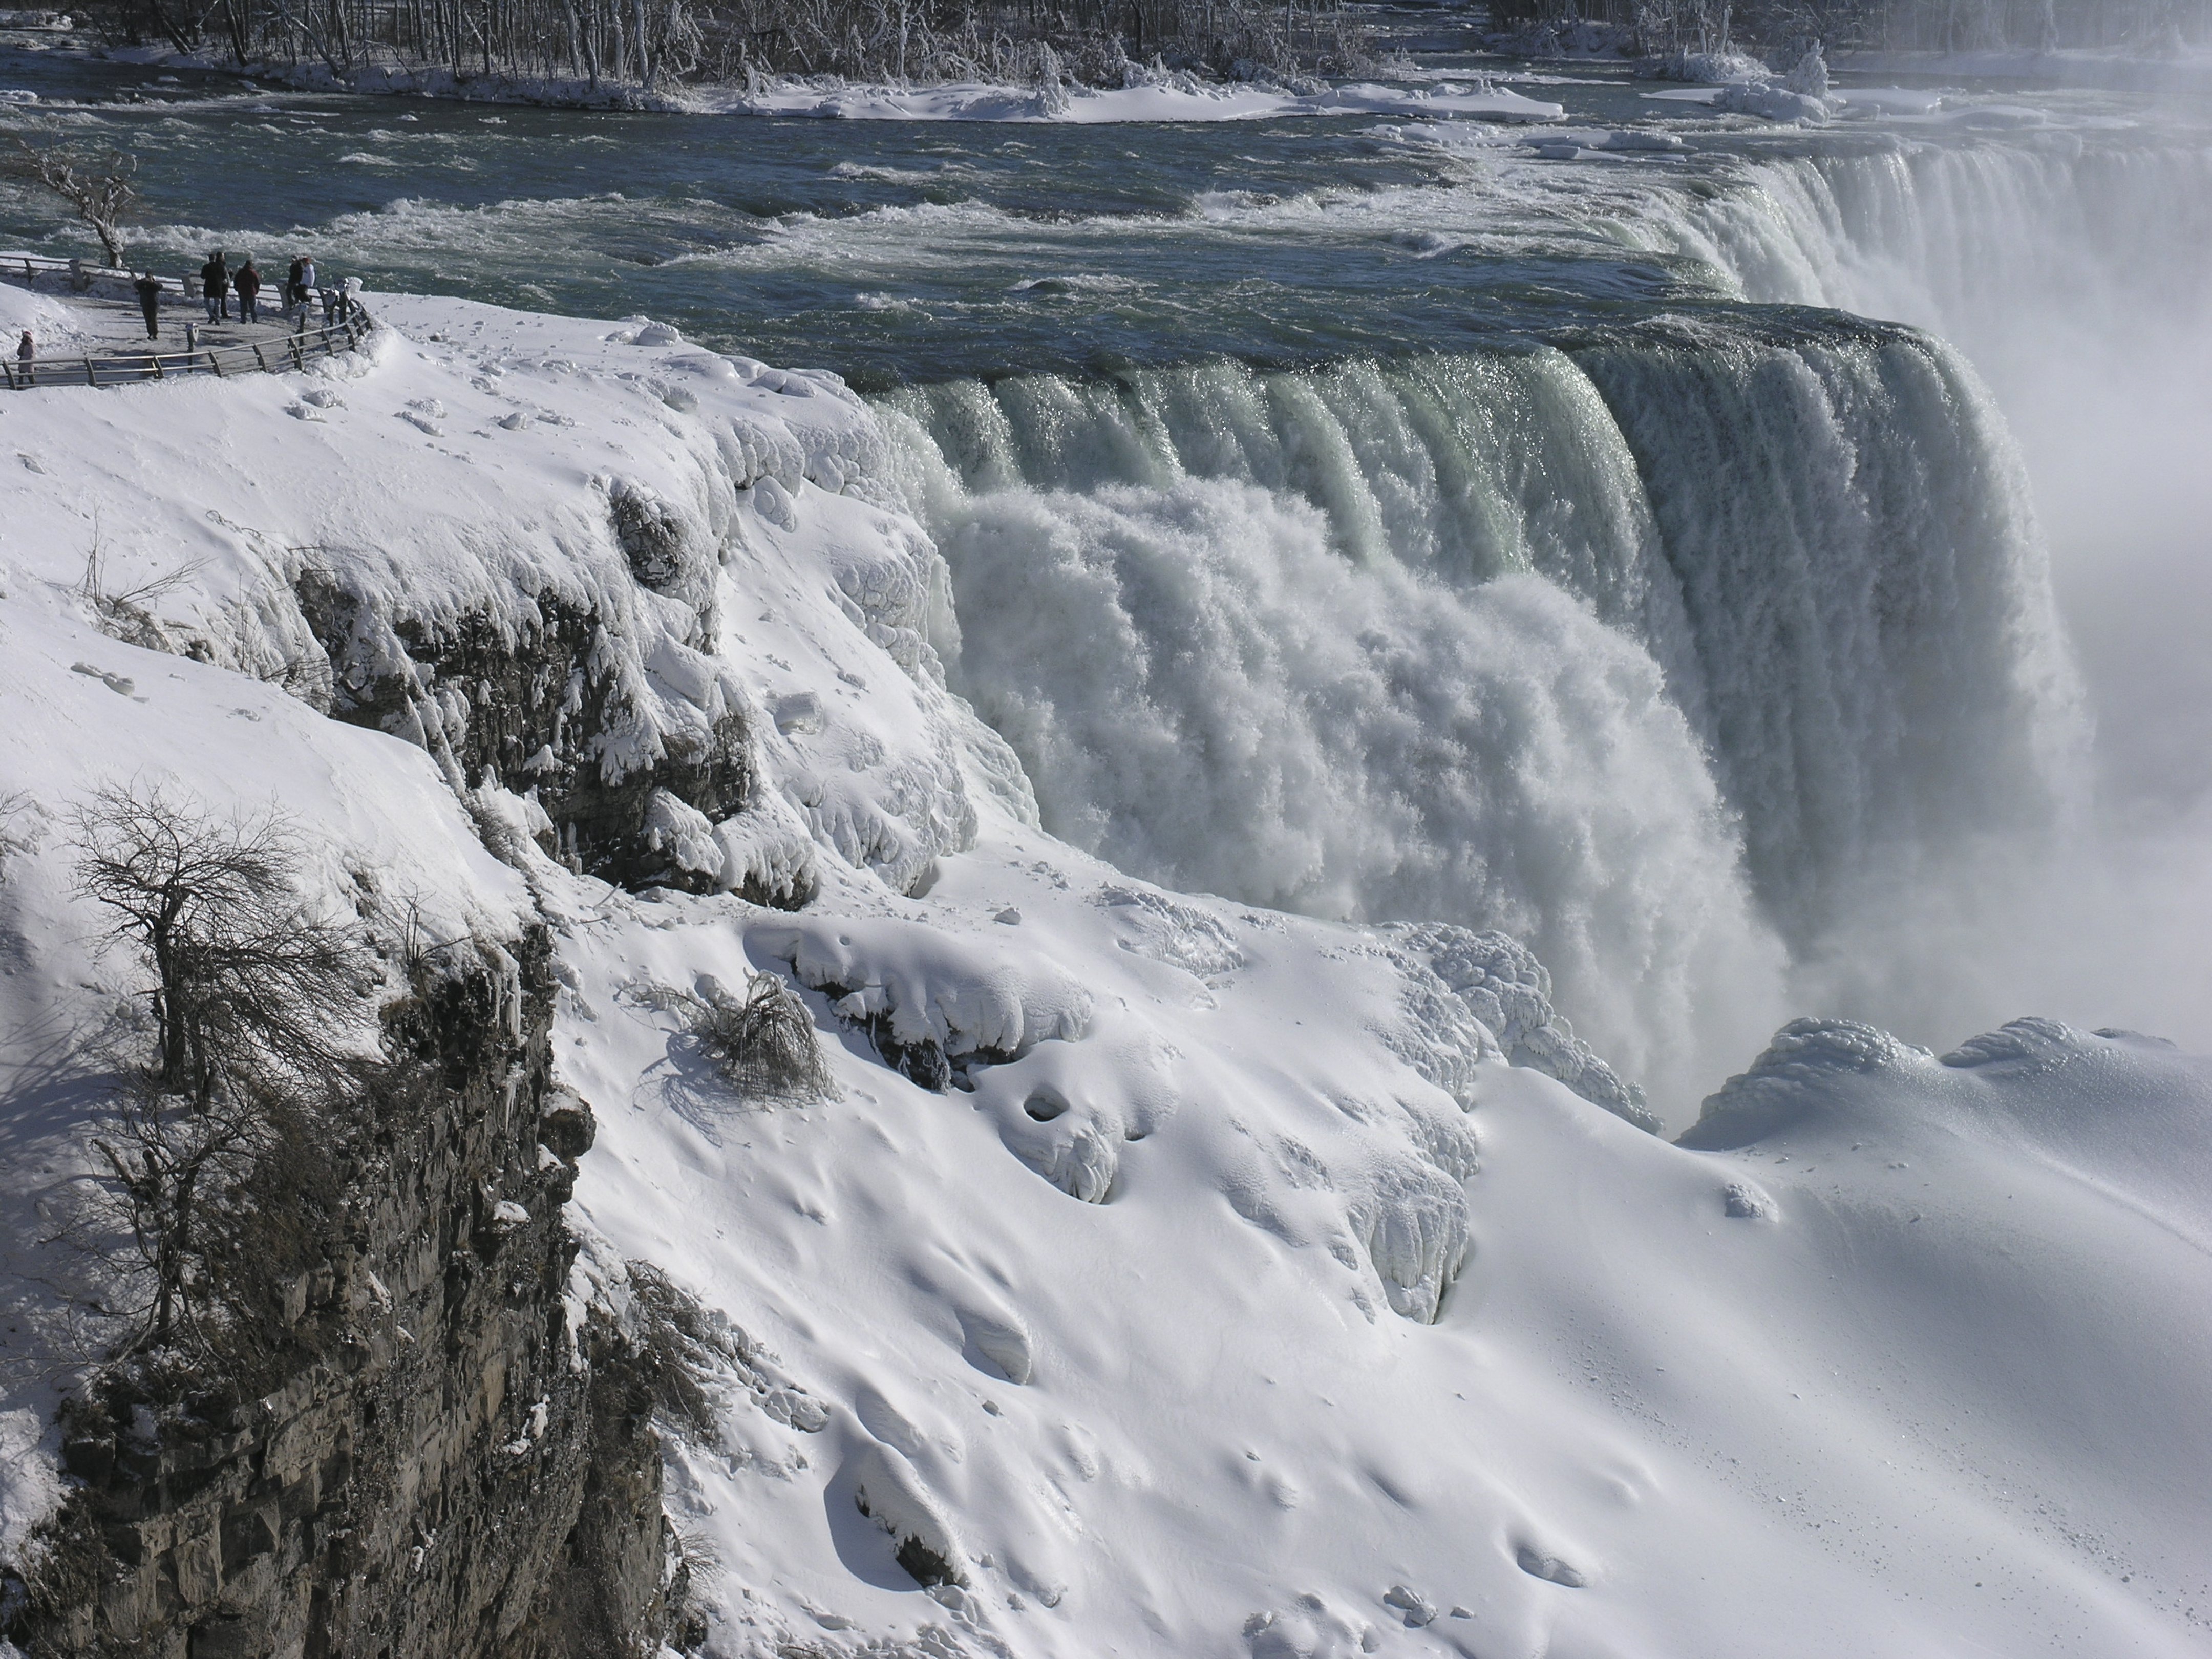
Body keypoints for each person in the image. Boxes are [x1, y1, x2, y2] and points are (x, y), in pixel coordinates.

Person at [133, 271, 162, 339]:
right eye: (147, 277)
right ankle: (150, 334)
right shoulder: (143, 284)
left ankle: (155, 333)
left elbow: (160, 287)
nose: (148, 279)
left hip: (154, 303)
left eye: (149, 277)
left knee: (153, 318)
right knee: (148, 319)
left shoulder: (154, 284)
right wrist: (142, 281)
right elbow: (136, 285)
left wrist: (152, 282)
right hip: (145, 303)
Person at [201, 250, 228, 321]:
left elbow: (203, 276)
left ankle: (211, 315)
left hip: (208, 287)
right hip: (218, 287)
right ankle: (218, 318)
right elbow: (224, 277)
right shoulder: (221, 267)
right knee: (217, 303)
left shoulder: (206, 267)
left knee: (206, 302)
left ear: (209, 259)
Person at [233, 257, 261, 325]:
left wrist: (236, 288)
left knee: (243, 306)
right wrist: (257, 290)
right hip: (251, 291)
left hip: (242, 291)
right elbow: (257, 282)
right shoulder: (253, 273)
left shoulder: (241, 272)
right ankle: (254, 319)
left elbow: (236, 280)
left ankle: (243, 319)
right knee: (252, 307)